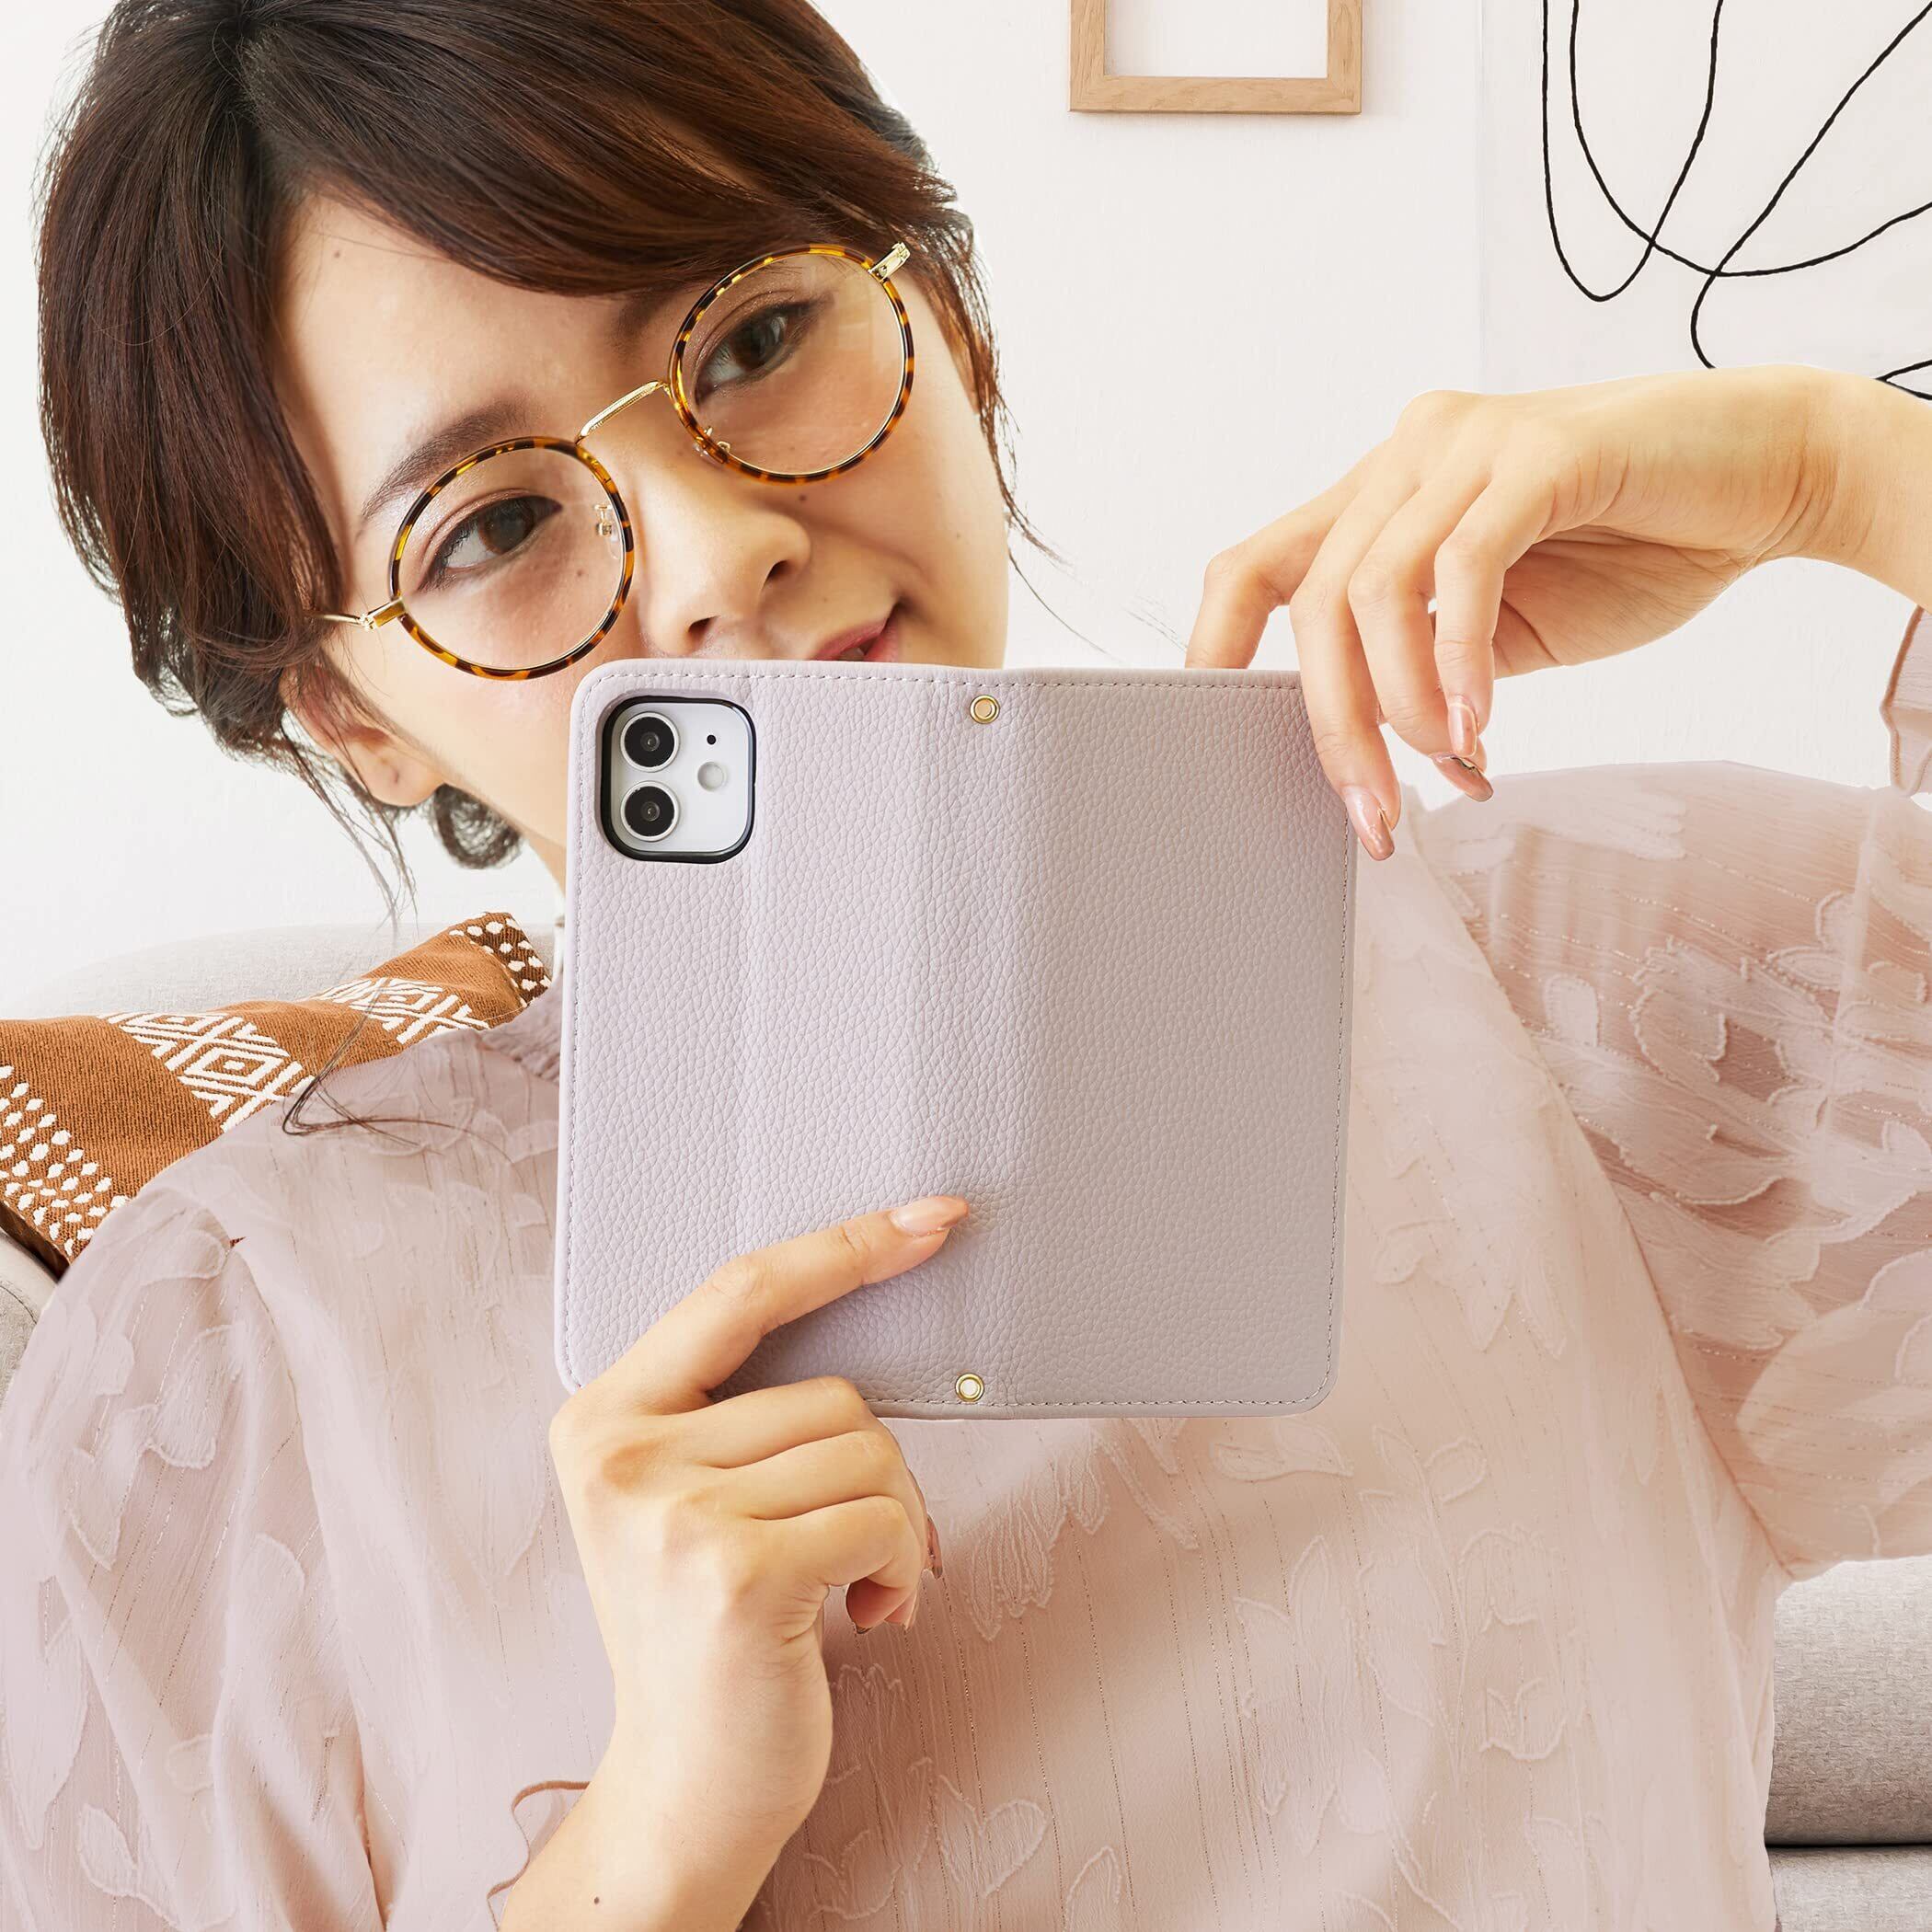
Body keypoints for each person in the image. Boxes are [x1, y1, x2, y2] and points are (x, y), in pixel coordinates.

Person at [3, 3, 1929, 1926]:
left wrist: (1840, 472)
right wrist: (652, 1845)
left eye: (757, 340)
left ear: (948, 318)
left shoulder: (1582, 994)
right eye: (496, 524)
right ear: (350, 713)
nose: (717, 550)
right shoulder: (227, 1364)